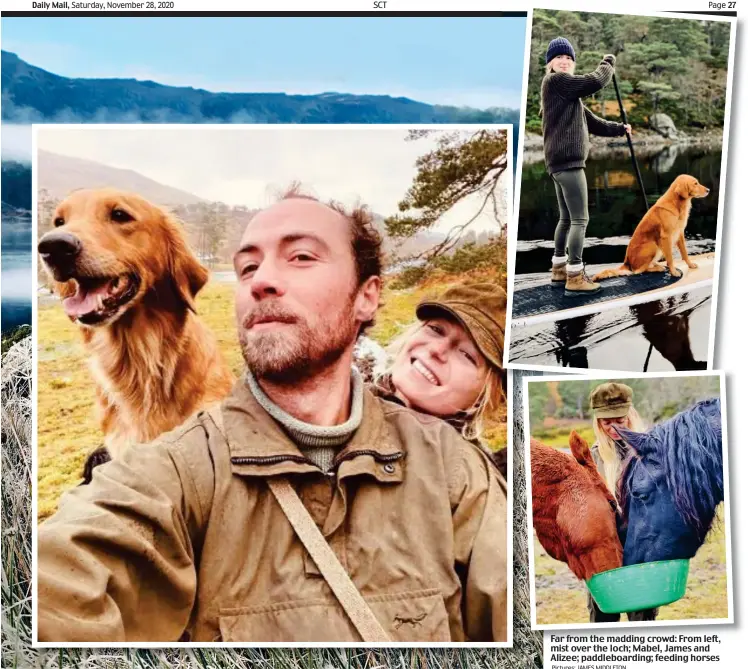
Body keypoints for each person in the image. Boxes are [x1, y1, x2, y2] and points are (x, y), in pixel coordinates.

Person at [37, 190, 508, 643]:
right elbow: (63, 577)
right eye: (247, 266)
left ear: (367, 296)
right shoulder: (176, 468)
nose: (261, 279)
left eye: (301, 256)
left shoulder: (461, 473)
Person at [372, 282, 508, 478]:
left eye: (466, 354)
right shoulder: (336, 405)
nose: (437, 350)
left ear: (483, 397)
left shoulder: (470, 485)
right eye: (436, 329)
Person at [541, 37, 632, 295]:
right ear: (550, 63)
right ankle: (575, 275)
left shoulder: (567, 94)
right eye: (559, 57)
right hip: (568, 163)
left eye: (569, 58)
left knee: (567, 219)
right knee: (581, 219)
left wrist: (619, 129)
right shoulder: (557, 81)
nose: (564, 61)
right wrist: (607, 62)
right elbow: (596, 81)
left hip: (558, 164)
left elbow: (592, 122)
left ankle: (559, 269)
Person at [587, 382, 656, 623]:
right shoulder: (591, 457)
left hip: (642, 548)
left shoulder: (651, 450)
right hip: (604, 551)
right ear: (598, 422)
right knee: (603, 617)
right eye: (607, 422)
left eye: (621, 420)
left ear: (630, 415)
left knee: (642, 618)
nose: (615, 427)